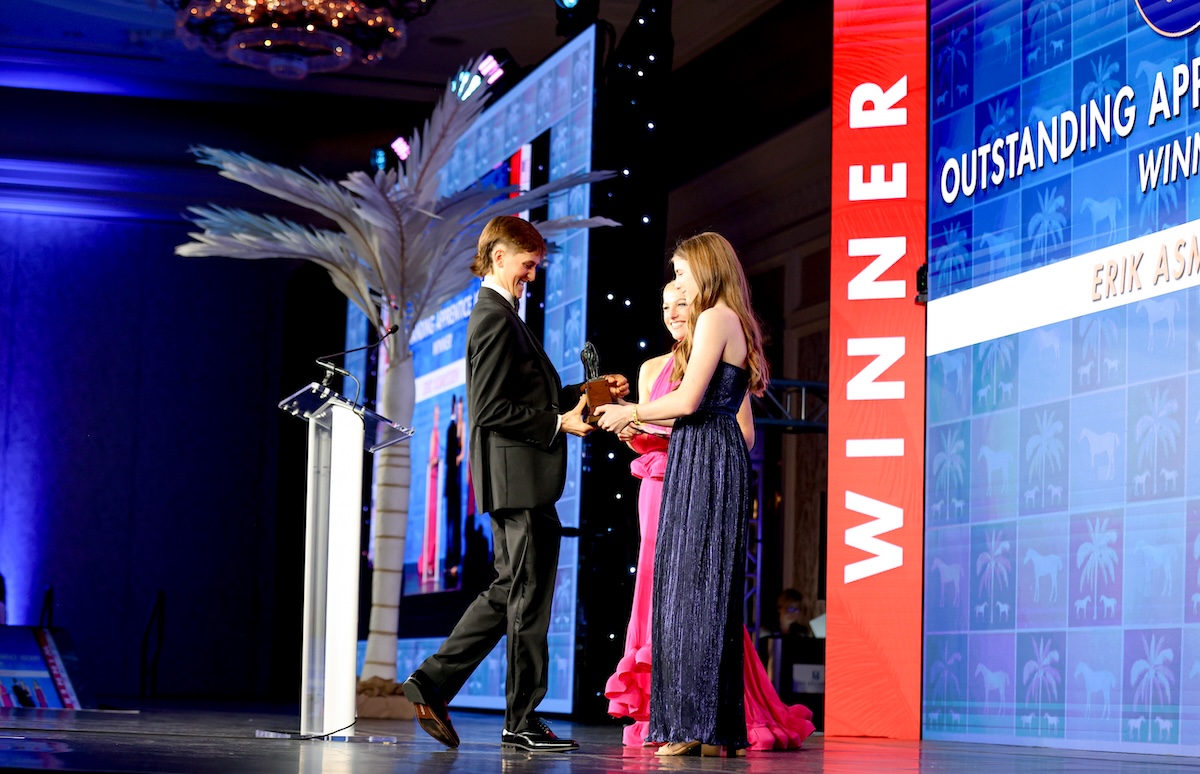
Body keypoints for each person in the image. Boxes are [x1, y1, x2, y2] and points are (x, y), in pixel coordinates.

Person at [402, 215, 628, 753]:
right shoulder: (494, 317)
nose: (533, 273)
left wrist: (588, 390)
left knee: (513, 591)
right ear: (499, 255)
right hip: (520, 481)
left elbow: (525, 393)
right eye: (528, 263)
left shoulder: (503, 315)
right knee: (525, 598)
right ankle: (519, 719)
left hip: (522, 480)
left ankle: (434, 682)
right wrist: (560, 422)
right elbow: (489, 408)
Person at [603, 283, 815, 751]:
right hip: (655, 488)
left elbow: (739, 431)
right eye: (664, 306)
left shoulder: (716, 358)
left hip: (695, 482)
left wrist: (656, 423)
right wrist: (632, 427)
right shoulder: (650, 368)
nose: (672, 313)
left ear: (698, 302)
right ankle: (662, 711)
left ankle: (710, 711)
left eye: (681, 302)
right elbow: (649, 433)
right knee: (656, 598)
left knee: (697, 598)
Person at [596, 232, 769, 757]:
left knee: (689, 597)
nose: (675, 283)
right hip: (703, 452)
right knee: (696, 595)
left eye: (681, 272)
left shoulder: (717, 317)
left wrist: (631, 413)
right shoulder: (723, 320)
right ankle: (708, 727)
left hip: (707, 454)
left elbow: (690, 400)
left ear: (706, 269)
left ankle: (692, 724)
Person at [417, 403, 441, 582]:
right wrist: (434, 461)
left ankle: (431, 562)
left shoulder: (438, 433)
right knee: (430, 523)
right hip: (432, 479)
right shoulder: (434, 433)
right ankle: (426, 562)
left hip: (437, 478)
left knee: (434, 524)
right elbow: (430, 459)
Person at [444, 395, 465, 583]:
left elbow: (461, 453)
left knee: (456, 522)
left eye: (459, 408)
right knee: (449, 522)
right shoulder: (450, 428)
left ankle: (455, 561)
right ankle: (448, 560)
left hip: (457, 479)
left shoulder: (460, 427)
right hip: (450, 479)